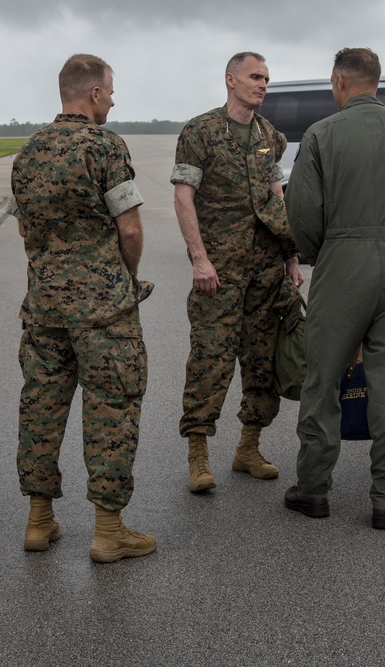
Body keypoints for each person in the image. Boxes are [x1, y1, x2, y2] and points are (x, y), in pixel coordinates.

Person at [283, 48, 385, 529]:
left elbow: (304, 214)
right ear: (378, 83)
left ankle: (313, 491)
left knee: (323, 378)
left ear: (338, 82)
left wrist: (326, 253)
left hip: (344, 259)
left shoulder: (321, 135)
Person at [12, 53, 156, 563]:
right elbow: (131, 227)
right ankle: (109, 530)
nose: (114, 99)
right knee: (111, 409)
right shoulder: (105, 145)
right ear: (93, 93)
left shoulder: (27, 152)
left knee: (42, 409)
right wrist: (126, 276)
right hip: (103, 310)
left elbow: (25, 228)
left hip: (45, 307)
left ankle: (39, 520)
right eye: (111, 91)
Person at [171, 51, 303, 494]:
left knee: (262, 360)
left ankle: (248, 447)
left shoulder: (271, 136)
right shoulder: (201, 131)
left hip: (266, 269)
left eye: (266, 78)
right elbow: (184, 198)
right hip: (220, 270)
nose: (263, 84)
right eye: (255, 76)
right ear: (230, 80)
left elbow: (276, 196)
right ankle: (198, 456)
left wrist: (289, 257)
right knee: (210, 359)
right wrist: (199, 258)